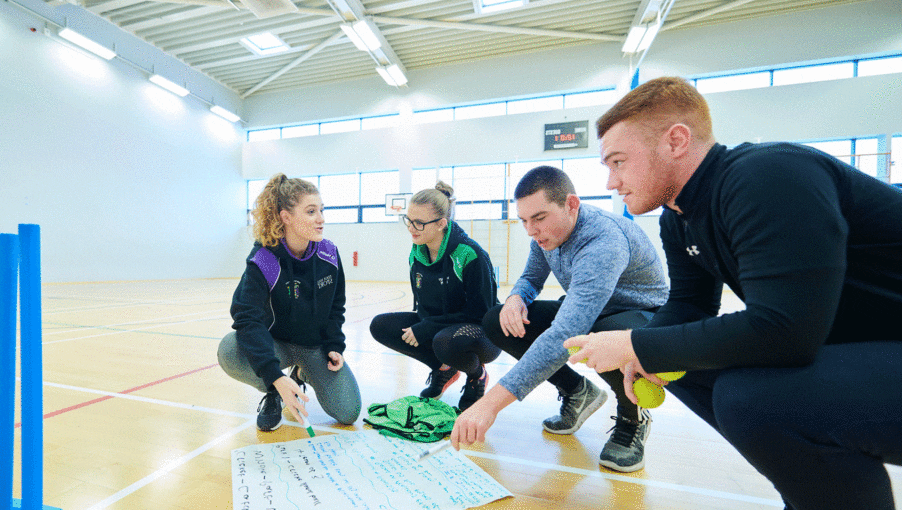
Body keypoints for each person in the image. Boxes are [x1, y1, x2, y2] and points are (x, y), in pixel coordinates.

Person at [568, 76, 902, 510]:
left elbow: (786, 330)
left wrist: (636, 344)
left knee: (751, 400)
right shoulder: (679, 215)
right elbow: (689, 304)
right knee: (678, 361)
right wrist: (642, 355)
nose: (612, 182)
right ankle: (820, 489)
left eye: (618, 162)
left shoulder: (767, 176)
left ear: (676, 141)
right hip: (870, 350)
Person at [451, 165, 669, 472]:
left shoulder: (603, 240)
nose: (531, 230)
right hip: (589, 314)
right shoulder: (545, 235)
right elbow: (531, 277)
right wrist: (515, 298)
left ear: (571, 205)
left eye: (539, 218)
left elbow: (565, 331)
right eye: (525, 220)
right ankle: (577, 392)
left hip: (638, 317)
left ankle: (633, 417)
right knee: (496, 320)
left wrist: (489, 405)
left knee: (600, 333)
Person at [218, 173, 361, 431]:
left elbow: (336, 308)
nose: (321, 219)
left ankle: (301, 374)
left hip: (314, 347)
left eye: (321, 210)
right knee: (229, 350)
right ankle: (275, 391)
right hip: (277, 346)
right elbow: (247, 317)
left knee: (348, 411)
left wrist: (334, 345)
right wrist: (274, 376)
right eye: (311, 211)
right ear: (286, 217)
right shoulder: (265, 259)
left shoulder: (329, 253)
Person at [370, 182, 501, 411]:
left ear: (441, 224)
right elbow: (422, 307)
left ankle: (476, 375)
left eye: (419, 223)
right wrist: (425, 325)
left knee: (444, 341)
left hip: (479, 334)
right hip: (439, 328)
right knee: (380, 326)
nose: (412, 228)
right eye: (409, 220)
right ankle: (444, 369)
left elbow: (480, 314)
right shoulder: (416, 252)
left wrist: (427, 327)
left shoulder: (470, 254)